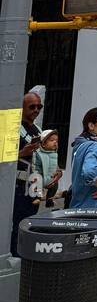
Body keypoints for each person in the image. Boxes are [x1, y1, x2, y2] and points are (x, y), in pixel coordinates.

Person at [10, 90, 44, 255]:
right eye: (32, 107)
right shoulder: (13, 129)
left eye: (39, 107)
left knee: (30, 221)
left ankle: (25, 254)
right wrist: (22, 153)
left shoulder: (37, 129)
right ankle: (15, 256)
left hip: (34, 182)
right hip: (18, 184)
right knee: (17, 222)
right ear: (22, 108)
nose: (36, 110)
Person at [30, 130, 62, 209]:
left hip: (50, 177)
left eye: (56, 141)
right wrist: (35, 174)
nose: (55, 142)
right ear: (43, 144)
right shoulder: (38, 153)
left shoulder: (54, 154)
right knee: (37, 185)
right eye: (52, 140)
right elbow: (35, 165)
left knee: (55, 185)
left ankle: (49, 199)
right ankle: (37, 198)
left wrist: (57, 172)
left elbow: (55, 166)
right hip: (40, 176)